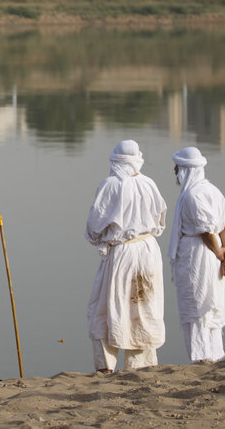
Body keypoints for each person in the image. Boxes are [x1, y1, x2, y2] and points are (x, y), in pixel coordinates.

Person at [85, 140, 168, 372]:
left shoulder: (111, 185)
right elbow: (161, 220)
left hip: (122, 253)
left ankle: (105, 367)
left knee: (105, 307)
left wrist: (102, 239)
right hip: (149, 250)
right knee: (143, 306)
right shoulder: (149, 183)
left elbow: (94, 225)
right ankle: (141, 367)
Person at [168, 146, 225, 363]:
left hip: (198, 256)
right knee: (208, 307)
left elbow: (206, 231)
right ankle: (215, 357)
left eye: (177, 168)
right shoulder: (214, 191)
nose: (175, 172)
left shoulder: (192, 196)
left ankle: (201, 359)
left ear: (186, 169)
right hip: (212, 255)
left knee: (197, 309)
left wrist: (219, 253)